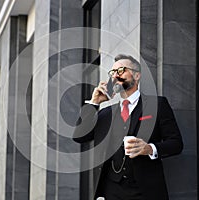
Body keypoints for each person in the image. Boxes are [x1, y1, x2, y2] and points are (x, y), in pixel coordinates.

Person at [73, 54, 183, 200]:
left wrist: (149, 149)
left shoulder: (157, 105)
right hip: (111, 191)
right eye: (112, 73)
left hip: (145, 191)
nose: (115, 76)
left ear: (137, 76)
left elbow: (176, 144)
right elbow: (79, 136)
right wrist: (94, 103)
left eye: (121, 71)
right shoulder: (105, 114)